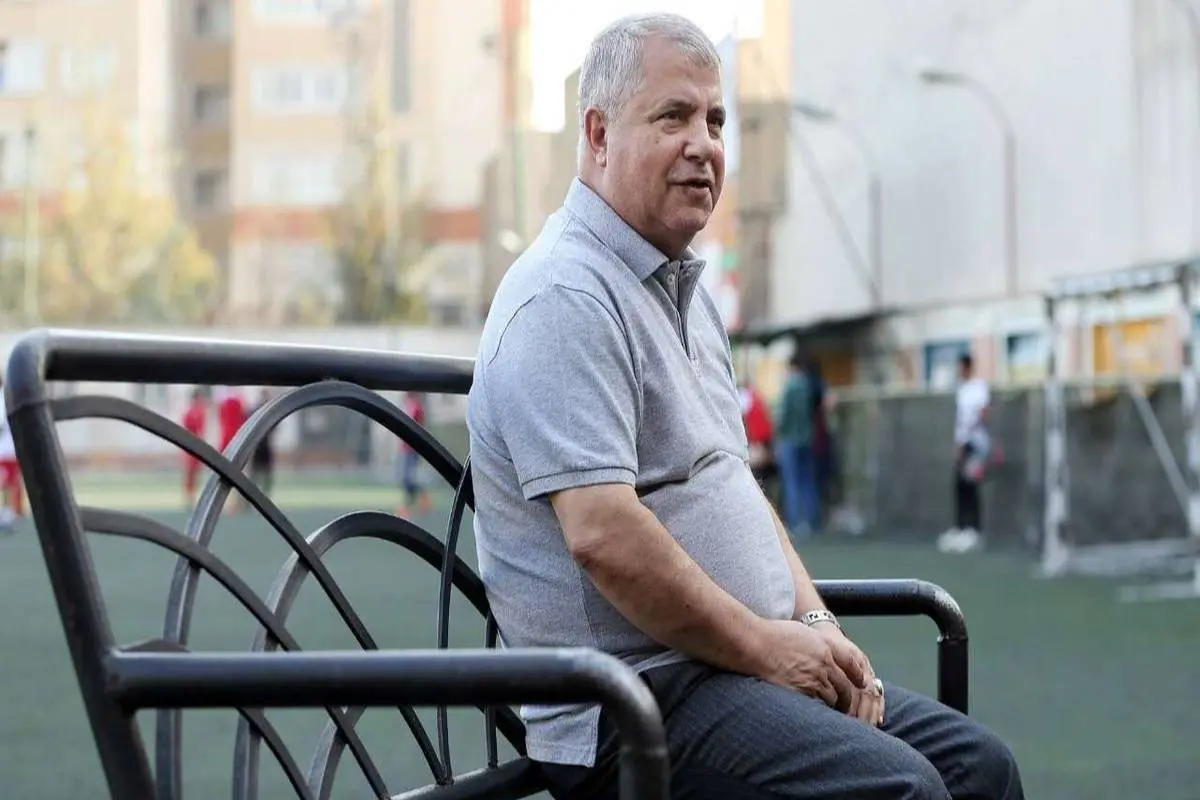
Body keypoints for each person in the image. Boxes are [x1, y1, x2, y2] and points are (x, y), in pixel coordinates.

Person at [466, 12, 1022, 800]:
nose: (704, 144)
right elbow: (604, 536)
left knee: (980, 769)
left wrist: (816, 626)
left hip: (727, 667)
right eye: (673, 116)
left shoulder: (684, 292)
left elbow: (736, 487)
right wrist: (767, 648)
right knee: (902, 789)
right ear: (597, 134)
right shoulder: (564, 296)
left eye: (716, 121)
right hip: (632, 700)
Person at [939, 353, 991, 554]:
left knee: (971, 485)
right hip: (963, 445)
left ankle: (974, 531)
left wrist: (970, 434)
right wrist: (959, 444)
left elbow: (983, 413)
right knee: (959, 485)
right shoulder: (962, 390)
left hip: (975, 444)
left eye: (960, 367)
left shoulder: (979, 387)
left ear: (967, 367)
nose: (958, 371)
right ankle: (960, 528)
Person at [774, 351, 820, 536]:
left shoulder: (790, 385)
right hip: (806, 438)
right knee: (807, 481)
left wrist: (778, 434)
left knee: (791, 481)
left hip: (790, 439)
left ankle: (795, 522)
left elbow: (783, 414)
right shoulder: (807, 384)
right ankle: (811, 520)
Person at [396, 392, 431, 518]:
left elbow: (414, 425)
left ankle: (420, 497)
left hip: (412, 449)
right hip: (405, 448)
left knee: (407, 479)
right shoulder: (409, 405)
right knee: (404, 479)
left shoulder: (415, 406)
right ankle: (407, 507)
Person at [180, 388, 209, 506]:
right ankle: (189, 496)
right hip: (191, 445)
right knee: (190, 472)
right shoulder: (192, 412)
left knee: (196, 472)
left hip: (196, 445)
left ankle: (193, 495)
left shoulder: (200, 411)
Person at [249, 389, 275, 498]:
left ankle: (262, 495)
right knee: (257, 473)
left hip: (262, 445)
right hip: (259, 445)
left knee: (265, 473)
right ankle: (254, 495)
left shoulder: (268, 409)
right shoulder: (266, 410)